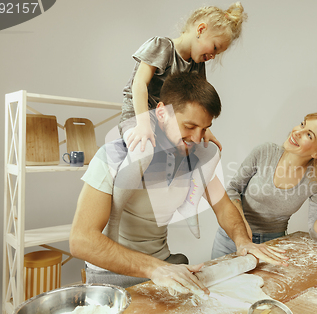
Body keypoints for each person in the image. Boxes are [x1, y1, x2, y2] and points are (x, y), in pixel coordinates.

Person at [70, 72, 287, 295]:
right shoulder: (114, 156)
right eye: (189, 126)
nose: (197, 138)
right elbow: (82, 240)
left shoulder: (194, 160)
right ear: (162, 113)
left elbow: (223, 208)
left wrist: (242, 241)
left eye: (204, 129)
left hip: (163, 267)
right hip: (112, 273)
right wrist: (155, 269)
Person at [115, 3, 247, 239]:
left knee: (211, 153)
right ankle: (112, 220)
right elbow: (138, 84)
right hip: (140, 113)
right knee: (140, 152)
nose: (213, 55)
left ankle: (190, 205)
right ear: (201, 29)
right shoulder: (162, 46)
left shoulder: (197, 65)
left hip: (169, 124)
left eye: (218, 53)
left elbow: (198, 103)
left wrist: (204, 130)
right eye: (215, 47)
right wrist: (143, 123)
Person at [211, 112, 317, 258]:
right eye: (302, 124)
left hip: (272, 244)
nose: (297, 132)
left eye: (309, 135)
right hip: (231, 238)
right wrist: (240, 227)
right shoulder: (265, 152)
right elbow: (233, 188)